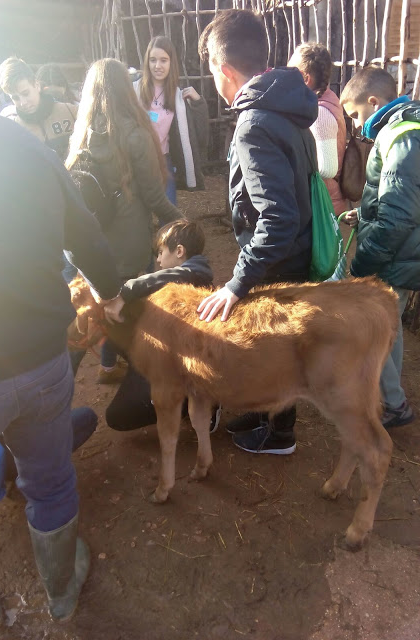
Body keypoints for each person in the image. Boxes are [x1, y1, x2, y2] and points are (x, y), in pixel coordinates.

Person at [0, 19, 121, 633]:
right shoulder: (25, 145)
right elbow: (89, 239)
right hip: (41, 362)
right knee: (49, 481)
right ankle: (63, 590)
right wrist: (113, 293)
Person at [197, 9, 317, 454]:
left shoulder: (254, 124)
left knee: (278, 349)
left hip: (277, 260)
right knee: (282, 343)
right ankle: (269, 414)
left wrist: (237, 282)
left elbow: (278, 218)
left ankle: (279, 434)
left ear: (224, 70)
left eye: (211, 70)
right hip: (296, 252)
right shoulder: (288, 106)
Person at [65, 58, 183, 384]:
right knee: (130, 311)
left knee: (102, 301)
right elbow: (156, 199)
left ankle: (103, 367)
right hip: (130, 244)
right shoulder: (135, 136)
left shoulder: (82, 137)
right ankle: (141, 386)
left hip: (92, 245)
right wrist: (186, 226)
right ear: (125, 91)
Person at [340, 66, 419, 428]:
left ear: (373, 102)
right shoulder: (405, 128)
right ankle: (391, 399)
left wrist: (362, 266)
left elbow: (398, 218)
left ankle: (392, 404)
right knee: (389, 325)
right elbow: (401, 198)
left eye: (356, 114)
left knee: (373, 326)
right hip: (404, 250)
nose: (356, 125)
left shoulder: (400, 135)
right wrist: (364, 214)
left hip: (396, 254)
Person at [102, 220, 220, 432]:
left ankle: (197, 403)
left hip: (187, 367)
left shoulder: (191, 275)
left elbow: (164, 277)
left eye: (160, 252)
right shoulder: (195, 271)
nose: (157, 260)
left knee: (117, 416)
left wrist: (125, 292)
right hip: (175, 356)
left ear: (179, 251)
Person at [135, 36, 209, 204]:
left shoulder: (177, 96)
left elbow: (200, 134)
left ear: (171, 63)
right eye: (153, 60)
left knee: (169, 213)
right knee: (140, 212)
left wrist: (198, 102)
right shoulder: (135, 91)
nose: (157, 66)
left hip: (164, 160)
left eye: (163, 60)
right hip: (138, 160)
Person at [288, 42, 348, 216]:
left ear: (305, 78)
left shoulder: (320, 113)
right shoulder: (323, 101)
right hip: (322, 199)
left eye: (291, 72)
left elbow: (327, 169)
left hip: (322, 204)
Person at [0, 56, 77, 161]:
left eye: (26, 93)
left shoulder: (71, 112)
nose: (23, 103)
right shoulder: (12, 128)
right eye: (15, 98)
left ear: (37, 85)